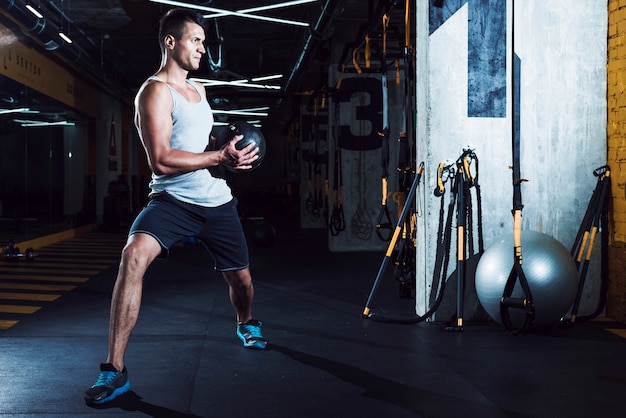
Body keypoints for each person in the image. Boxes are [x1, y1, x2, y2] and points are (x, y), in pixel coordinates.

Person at [84, 8, 267, 406]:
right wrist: (219, 158)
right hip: (171, 200)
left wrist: (231, 153)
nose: (203, 47)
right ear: (171, 42)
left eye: (203, 40)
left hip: (216, 201)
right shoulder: (154, 91)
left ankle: (245, 321)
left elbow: (203, 146)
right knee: (133, 256)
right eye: (196, 40)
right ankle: (114, 371)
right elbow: (162, 159)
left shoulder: (199, 91)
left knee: (243, 283)